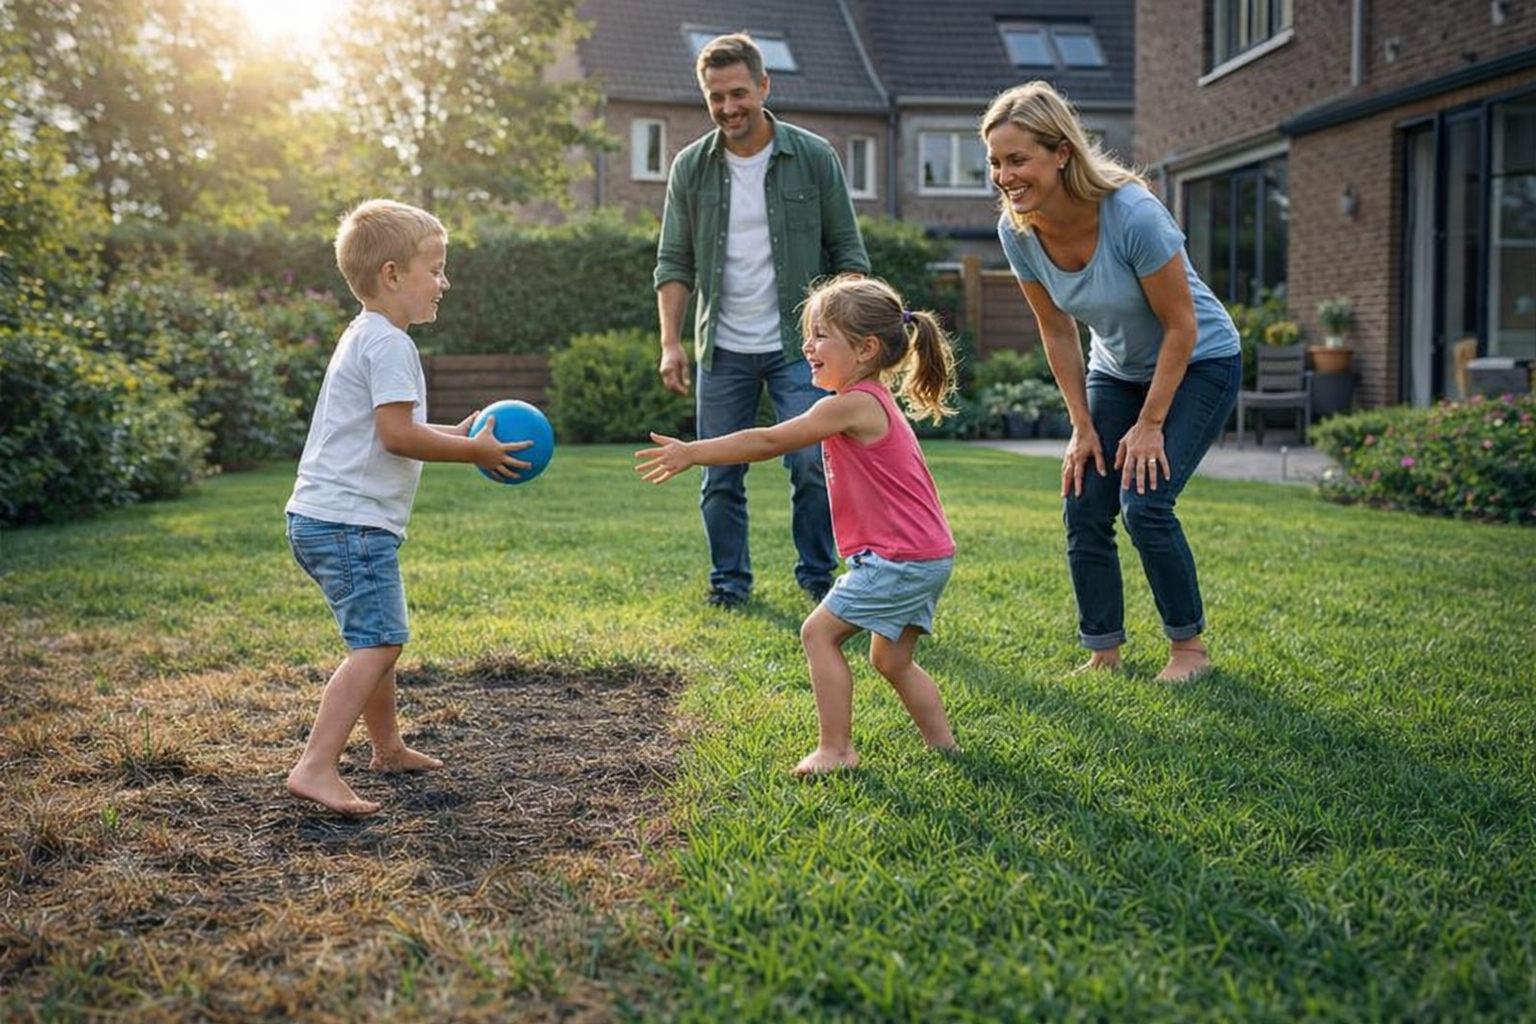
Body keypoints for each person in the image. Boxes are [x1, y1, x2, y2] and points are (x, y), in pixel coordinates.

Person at [636, 275, 959, 775]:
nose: (807, 346)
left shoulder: (851, 404)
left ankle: (836, 751)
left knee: (818, 634)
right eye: (808, 334)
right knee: (891, 662)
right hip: (925, 555)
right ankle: (945, 749)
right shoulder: (871, 400)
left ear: (866, 348)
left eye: (821, 335)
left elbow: (768, 441)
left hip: (898, 559)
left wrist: (692, 452)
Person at [982, 81, 1242, 682]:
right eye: (995, 162)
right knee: (1084, 499)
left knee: (1145, 505)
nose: (1004, 176)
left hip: (1201, 360)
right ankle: (1104, 649)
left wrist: (1150, 424)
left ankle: (1189, 651)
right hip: (1118, 370)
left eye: (1018, 160)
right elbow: (1055, 329)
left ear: (1061, 153)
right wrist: (1080, 425)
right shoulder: (1016, 231)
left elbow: (1181, 327)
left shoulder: (1132, 215)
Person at [284, 198, 531, 815]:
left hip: (328, 517)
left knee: (377, 637)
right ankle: (315, 766)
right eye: (436, 268)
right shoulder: (391, 345)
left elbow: (396, 426)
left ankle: (387, 747)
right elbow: (397, 437)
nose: (444, 282)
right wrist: (472, 452)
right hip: (349, 523)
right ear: (392, 275)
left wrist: (459, 430)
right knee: (379, 644)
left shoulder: (364, 334)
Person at [654, 31, 871, 611]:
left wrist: (846, 345)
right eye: (715, 97)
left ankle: (820, 580)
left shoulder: (814, 156)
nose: (728, 108)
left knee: (811, 463)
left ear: (764, 86)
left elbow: (849, 257)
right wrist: (670, 342)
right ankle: (729, 584)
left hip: (800, 348)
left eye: (738, 93)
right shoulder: (690, 167)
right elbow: (673, 261)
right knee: (718, 474)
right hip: (721, 348)